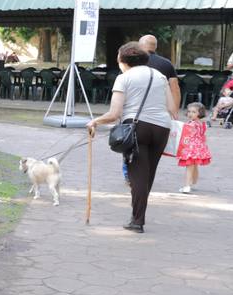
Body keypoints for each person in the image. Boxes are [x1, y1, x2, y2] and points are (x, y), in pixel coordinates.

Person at [87, 42, 179, 233]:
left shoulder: (124, 78)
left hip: (137, 128)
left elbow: (114, 113)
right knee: (148, 173)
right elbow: (172, 108)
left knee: (137, 175)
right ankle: (138, 215)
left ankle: (137, 221)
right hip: (162, 127)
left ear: (123, 60)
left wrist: (95, 121)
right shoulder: (160, 76)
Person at [176, 102, 212, 194]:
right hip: (199, 148)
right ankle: (193, 182)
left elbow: (185, 134)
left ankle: (187, 186)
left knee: (189, 166)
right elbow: (203, 136)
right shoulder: (202, 123)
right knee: (195, 166)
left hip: (191, 149)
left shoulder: (191, 124)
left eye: (194, 112)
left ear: (199, 113)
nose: (190, 114)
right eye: (189, 111)